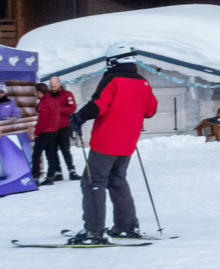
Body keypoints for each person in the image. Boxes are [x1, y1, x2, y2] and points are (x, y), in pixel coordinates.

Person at [66, 43, 158, 245]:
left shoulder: (112, 79)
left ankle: (94, 231)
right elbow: (151, 110)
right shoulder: (142, 82)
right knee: (117, 180)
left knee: (92, 183)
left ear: (114, 60)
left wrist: (79, 117)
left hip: (107, 141)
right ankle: (126, 226)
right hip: (127, 143)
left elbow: (98, 105)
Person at [32, 78, 79, 184]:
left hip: (62, 127)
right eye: (51, 87)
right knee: (52, 151)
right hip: (53, 127)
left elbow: (71, 109)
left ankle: (71, 170)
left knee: (65, 149)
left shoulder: (66, 94)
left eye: (54, 86)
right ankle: (56, 172)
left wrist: (58, 109)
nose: (52, 89)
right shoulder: (48, 97)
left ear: (59, 84)